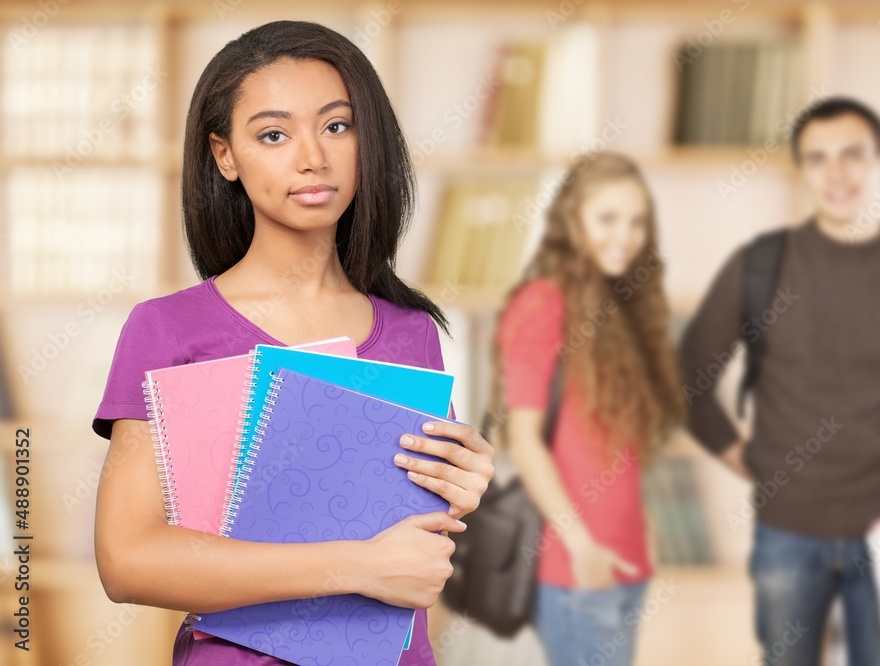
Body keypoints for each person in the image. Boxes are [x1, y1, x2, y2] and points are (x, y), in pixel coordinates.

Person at [91, 21, 494, 665]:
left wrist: (464, 487)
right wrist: (357, 566)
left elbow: (416, 543)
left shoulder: (413, 330)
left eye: (337, 126)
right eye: (273, 134)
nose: (313, 156)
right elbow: (128, 560)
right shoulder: (170, 329)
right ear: (225, 156)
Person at [679, 97, 880, 665]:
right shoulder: (760, 266)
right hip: (788, 533)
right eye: (818, 159)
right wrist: (756, 462)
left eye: (851, 155)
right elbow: (689, 378)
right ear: (802, 170)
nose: (835, 173)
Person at [494, 152, 687, 666]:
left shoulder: (618, 308)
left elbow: (609, 439)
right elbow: (525, 439)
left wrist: (639, 520)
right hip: (577, 568)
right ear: (572, 220)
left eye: (636, 220)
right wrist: (581, 546)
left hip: (626, 562)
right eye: (607, 217)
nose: (624, 234)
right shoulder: (543, 303)